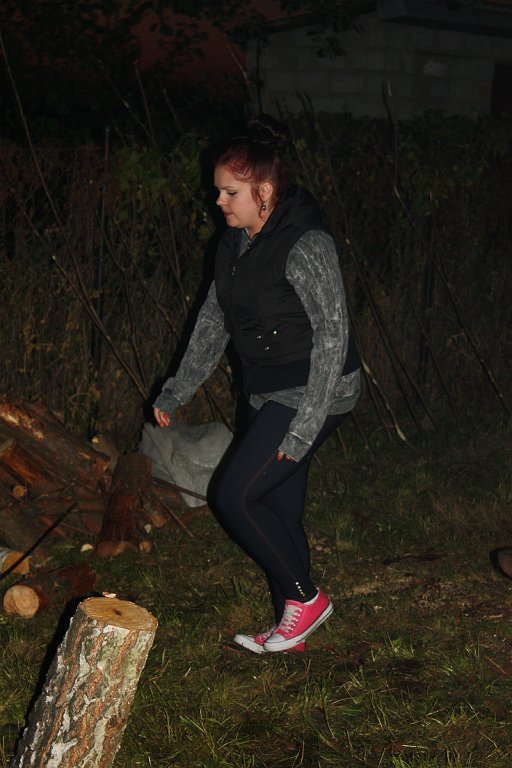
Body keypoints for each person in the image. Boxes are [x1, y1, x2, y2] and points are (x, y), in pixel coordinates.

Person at [153, 115, 361, 654]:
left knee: (234, 495)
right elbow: (212, 320)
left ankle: (305, 599)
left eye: (230, 192)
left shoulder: (305, 243)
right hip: (266, 389)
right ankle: (293, 628)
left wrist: (304, 428)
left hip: (319, 389)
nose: (218, 200)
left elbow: (333, 336)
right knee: (279, 511)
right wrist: (177, 389)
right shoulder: (234, 244)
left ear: (264, 192)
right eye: (218, 190)